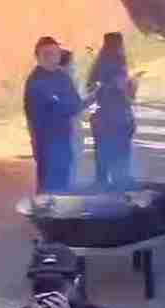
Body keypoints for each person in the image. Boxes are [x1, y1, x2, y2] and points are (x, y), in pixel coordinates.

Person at [25, 36, 82, 193]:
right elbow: (33, 115)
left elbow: (75, 104)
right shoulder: (35, 81)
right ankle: (44, 212)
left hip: (64, 136)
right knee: (47, 180)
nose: (52, 58)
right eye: (47, 54)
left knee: (64, 176)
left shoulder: (63, 77)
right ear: (37, 57)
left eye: (55, 53)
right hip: (45, 139)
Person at [82, 33, 138, 189]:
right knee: (121, 158)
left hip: (101, 119)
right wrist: (133, 84)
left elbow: (90, 90)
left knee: (102, 157)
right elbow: (128, 95)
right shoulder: (120, 65)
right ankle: (119, 189)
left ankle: (101, 187)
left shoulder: (97, 66)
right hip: (120, 118)